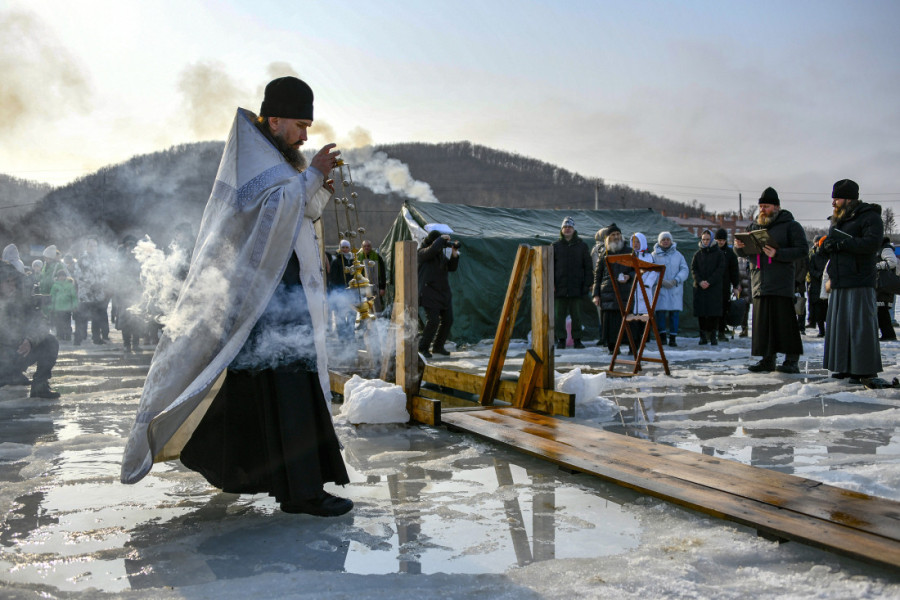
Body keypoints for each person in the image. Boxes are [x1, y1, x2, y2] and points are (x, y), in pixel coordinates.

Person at [121, 75, 352, 516]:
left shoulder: (278, 160)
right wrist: (313, 176)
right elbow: (270, 214)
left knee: (261, 388)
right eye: (300, 125)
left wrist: (316, 188)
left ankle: (222, 462)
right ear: (275, 118)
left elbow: (296, 212)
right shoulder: (255, 160)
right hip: (265, 299)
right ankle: (302, 493)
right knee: (288, 388)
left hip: (280, 293)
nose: (305, 135)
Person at [821, 179, 889, 387]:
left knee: (861, 326)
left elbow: (871, 244)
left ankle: (865, 369)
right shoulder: (838, 220)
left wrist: (843, 243)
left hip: (860, 279)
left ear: (849, 198)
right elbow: (836, 247)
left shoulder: (870, 217)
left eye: (837, 198)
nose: (834, 202)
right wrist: (828, 246)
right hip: (841, 279)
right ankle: (845, 366)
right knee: (841, 327)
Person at [734, 187, 808, 373]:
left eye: (766, 206)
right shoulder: (753, 227)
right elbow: (744, 252)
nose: (762, 210)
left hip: (781, 281)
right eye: (760, 206)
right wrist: (738, 247)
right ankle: (767, 359)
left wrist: (778, 253)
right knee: (762, 325)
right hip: (759, 280)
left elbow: (802, 250)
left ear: (776, 207)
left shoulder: (791, 226)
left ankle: (792, 360)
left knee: (785, 323)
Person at [0, 261, 60, 398]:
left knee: (50, 342)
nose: (12, 286)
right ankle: (9, 375)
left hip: (17, 352)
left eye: (13, 281)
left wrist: (30, 340)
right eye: (7, 282)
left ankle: (40, 385)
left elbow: (41, 323)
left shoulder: (22, 301)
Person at [417, 229, 460, 357]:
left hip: (443, 293)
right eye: (439, 242)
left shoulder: (439, 255)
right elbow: (431, 250)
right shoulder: (421, 252)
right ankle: (423, 347)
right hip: (429, 293)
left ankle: (438, 346)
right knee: (433, 321)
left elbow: (451, 267)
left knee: (448, 320)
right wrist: (441, 239)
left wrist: (454, 253)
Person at [591, 224, 634, 352]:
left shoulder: (629, 251)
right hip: (608, 293)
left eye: (618, 234)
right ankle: (613, 348)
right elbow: (597, 275)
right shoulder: (605, 253)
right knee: (610, 323)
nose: (616, 237)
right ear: (608, 238)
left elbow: (636, 270)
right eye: (613, 235)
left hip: (625, 292)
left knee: (627, 321)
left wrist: (628, 276)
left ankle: (631, 346)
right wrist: (596, 294)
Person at [552, 217, 592, 349]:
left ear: (574, 229)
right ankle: (561, 340)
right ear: (562, 230)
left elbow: (588, 267)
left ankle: (577, 340)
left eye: (570, 227)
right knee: (559, 316)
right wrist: (551, 284)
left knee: (577, 316)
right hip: (559, 287)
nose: (567, 229)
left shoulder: (582, 246)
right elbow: (550, 267)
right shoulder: (555, 246)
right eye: (565, 227)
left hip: (577, 287)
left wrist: (587, 284)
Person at [651, 231, 689, 347]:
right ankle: (662, 338)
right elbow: (651, 270)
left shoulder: (678, 255)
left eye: (667, 239)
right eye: (663, 240)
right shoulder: (654, 255)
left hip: (674, 289)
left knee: (674, 314)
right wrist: (660, 281)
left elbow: (684, 270)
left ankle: (673, 338)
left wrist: (676, 280)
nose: (666, 242)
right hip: (660, 288)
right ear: (659, 241)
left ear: (671, 241)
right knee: (660, 313)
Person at [691, 230, 725, 346]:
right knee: (702, 313)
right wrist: (700, 281)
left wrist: (709, 281)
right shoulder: (697, 254)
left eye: (707, 239)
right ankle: (703, 336)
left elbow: (720, 269)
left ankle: (713, 336)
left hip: (713, 288)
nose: (705, 241)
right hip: (700, 288)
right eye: (704, 239)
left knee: (713, 313)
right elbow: (694, 269)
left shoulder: (719, 254)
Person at [73, 236, 109, 346]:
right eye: (91, 245)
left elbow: (106, 274)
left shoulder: (101, 260)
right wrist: (90, 284)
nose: (93, 247)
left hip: (98, 294)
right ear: (86, 246)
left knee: (97, 317)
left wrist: (100, 283)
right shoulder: (81, 259)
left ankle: (96, 338)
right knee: (81, 318)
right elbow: (77, 275)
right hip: (85, 294)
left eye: (95, 245)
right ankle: (78, 339)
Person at [714, 229, 740, 341]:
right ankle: (711, 331)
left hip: (725, 285)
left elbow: (734, 270)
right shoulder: (711, 252)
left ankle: (721, 331)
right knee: (712, 310)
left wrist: (735, 285)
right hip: (712, 285)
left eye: (723, 240)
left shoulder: (730, 254)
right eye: (719, 240)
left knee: (723, 309)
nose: (721, 242)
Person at [328, 239, 357, 338]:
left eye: (346, 247)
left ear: (349, 248)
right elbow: (332, 278)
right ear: (340, 249)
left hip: (351, 291)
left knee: (352, 313)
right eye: (343, 247)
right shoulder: (336, 261)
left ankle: (351, 333)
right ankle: (341, 335)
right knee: (340, 314)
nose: (345, 249)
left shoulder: (353, 261)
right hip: (340, 291)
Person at [875, 237, 898, 341]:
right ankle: (887, 334)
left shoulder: (885, 249)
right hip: (880, 284)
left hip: (883, 284)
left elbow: (892, 262)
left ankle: (888, 334)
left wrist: (877, 266)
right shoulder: (880, 249)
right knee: (880, 311)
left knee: (881, 311)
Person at [590, 226, 610, 344]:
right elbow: (595, 268)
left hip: (609, 283)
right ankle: (603, 336)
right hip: (602, 284)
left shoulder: (613, 247)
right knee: (601, 311)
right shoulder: (597, 249)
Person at [806, 236, 829, 338]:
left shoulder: (830, 257)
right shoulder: (815, 257)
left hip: (828, 285)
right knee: (819, 310)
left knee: (828, 310)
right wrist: (819, 275)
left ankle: (828, 330)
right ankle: (821, 330)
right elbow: (810, 269)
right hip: (817, 286)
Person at [357, 240, 387, 313]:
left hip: (375, 286)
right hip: (362, 287)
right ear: (362, 247)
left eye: (368, 246)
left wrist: (382, 288)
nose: (366, 248)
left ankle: (378, 323)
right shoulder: (358, 258)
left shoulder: (377, 257)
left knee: (376, 307)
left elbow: (382, 273)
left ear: (371, 247)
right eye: (365, 246)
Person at [49, 268, 77, 342]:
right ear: (57, 277)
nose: (61, 277)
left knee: (67, 323)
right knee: (58, 323)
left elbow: (74, 297)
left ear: (66, 276)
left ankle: (68, 335)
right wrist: (51, 307)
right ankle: (60, 335)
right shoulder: (55, 285)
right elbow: (52, 297)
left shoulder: (70, 285)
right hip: (58, 308)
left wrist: (74, 306)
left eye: (63, 276)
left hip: (67, 308)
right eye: (60, 276)